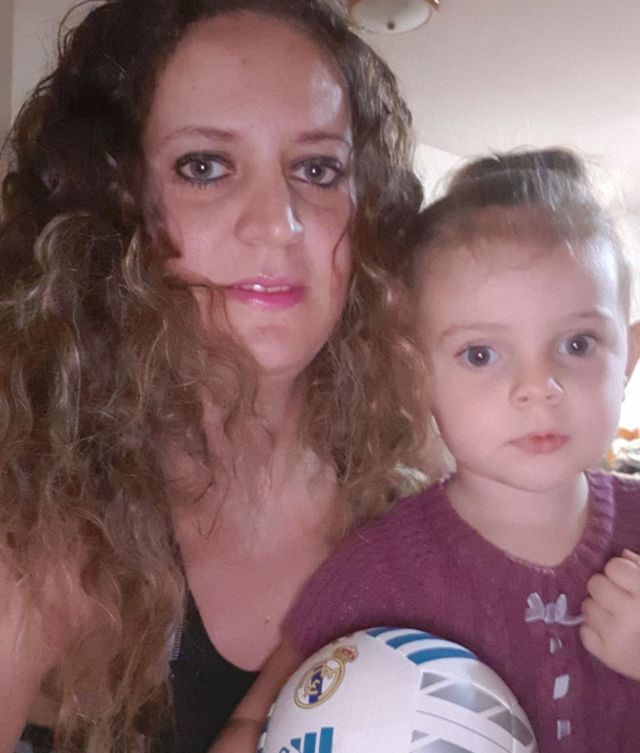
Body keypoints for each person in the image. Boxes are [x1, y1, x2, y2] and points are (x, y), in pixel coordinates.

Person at [0, 2, 430, 752]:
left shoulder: (406, 495)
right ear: (115, 212)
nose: (278, 223)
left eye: (318, 169)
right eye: (204, 166)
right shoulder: (39, 529)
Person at [217, 148, 640, 753]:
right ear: (416, 377)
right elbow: (254, 721)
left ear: (628, 358)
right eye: (481, 354)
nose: (538, 386)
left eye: (578, 343)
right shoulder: (379, 569)